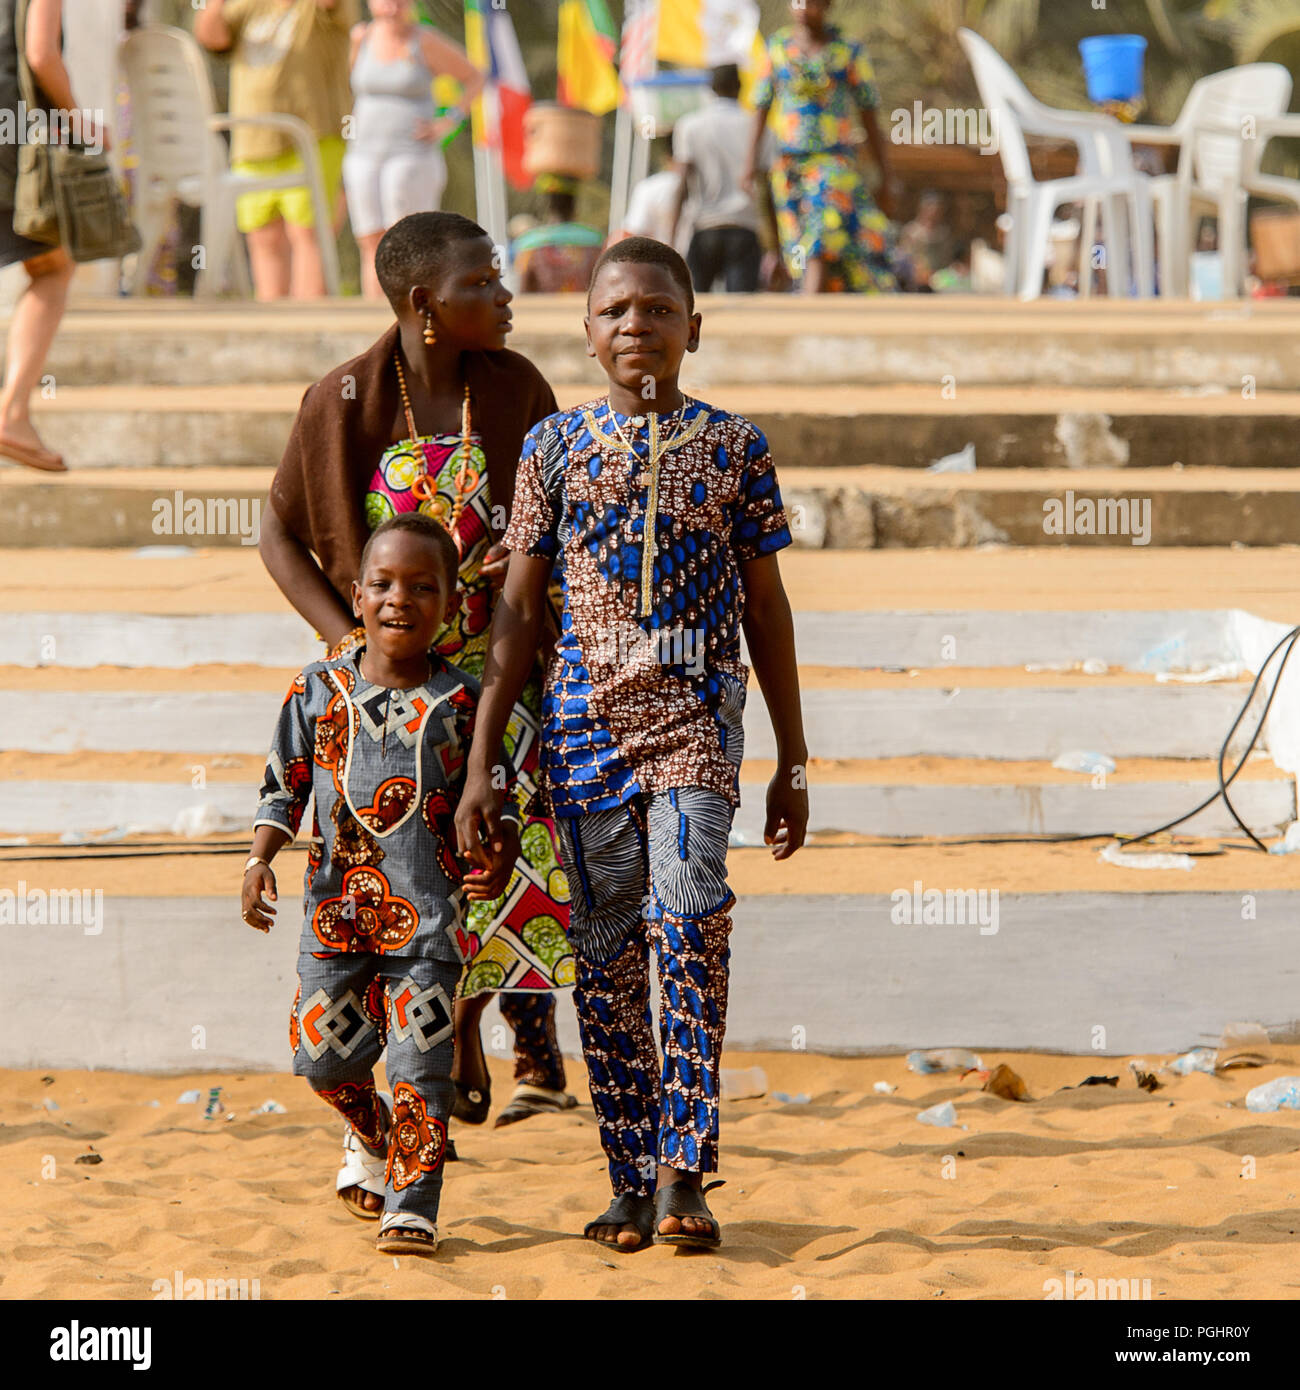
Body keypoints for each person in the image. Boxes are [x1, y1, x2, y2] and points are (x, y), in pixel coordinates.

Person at [455, 237, 810, 1252]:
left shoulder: (737, 448)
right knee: (607, 956)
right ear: (587, 333)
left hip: (696, 729)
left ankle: (683, 1171)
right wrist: (486, 756)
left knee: (689, 930)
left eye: (656, 309)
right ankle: (626, 1174)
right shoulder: (553, 450)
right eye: (613, 311)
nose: (635, 326)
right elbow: (518, 610)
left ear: (692, 329)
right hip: (582, 735)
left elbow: (767, 603)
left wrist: (792, 756)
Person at [258, 211, 575, 1204]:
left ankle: (482, 1043)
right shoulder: (346, 398)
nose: (507, 295)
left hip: (504, 671)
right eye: (486, 281)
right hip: (395, 699)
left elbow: (555, 520)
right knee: (414, 867)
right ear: (425, 304)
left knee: (494, 855)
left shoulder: (516, 388)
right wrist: (344, 641)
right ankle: (419, 1095)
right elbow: (276, 532)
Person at [241, 512, 520, 1256]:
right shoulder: (316, 690)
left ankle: (413, 1205)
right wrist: (259, 859)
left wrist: (499, 849)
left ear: (452, 606)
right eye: (385, 584)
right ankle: (378, 1134)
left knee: (419, 1065)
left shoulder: (464, 707)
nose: (401, 599)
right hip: (335, 916)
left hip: (431, 922)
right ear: (357, 596)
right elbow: (283, 787)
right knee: (321, 1059)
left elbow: (500, 802)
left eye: (423, 587)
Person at [195, 0, 357, 301]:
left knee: (308, 235)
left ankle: (309, 328)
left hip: (313, 136)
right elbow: (211, 37)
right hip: (252, 139)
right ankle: (271, 326)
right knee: (262, 237)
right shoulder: (249, 6)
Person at [0, 0, 97, 472]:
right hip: (12, 142)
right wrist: (80, 123)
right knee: (54, 266)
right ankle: (12, 412)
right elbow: (41, 54)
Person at [743, 0, 897, 294]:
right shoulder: (777, 48)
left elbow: (868, 113)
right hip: (788, 163)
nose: (803, 8)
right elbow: (761, 107)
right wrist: (748, 164)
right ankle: (823, 316)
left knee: (821, 232)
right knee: (801, 245)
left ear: (827, 5)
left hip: (833, 162)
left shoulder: (848, 52)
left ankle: (806, 311)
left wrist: (886, 175)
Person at [344, 0, 482, 301]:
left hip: (409, 153)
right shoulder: (361, 37)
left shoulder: (425, 40)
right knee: (370, 238)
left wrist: (448, 121)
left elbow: (475, 77)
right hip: (363, 152)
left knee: (405, 238)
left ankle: (412, 312)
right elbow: (352, 90)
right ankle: (375, 315)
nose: (391, 7)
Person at [670, 63, 773, 294]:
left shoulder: (690, 126)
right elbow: (767, 189)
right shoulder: (759, 128)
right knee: (740, 311)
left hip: (705, 228)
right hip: (744, 228)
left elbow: (682, 186)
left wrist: (670, 239)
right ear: (740, 87)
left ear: (711, 89)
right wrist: (776, 247)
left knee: (693, 307)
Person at [513, 173, 603, 293]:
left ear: (546, 202)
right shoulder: (596, 242)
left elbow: (523, 292)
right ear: (575, 202)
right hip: (583, 310)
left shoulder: (529, 246)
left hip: (543, 311)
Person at [619, 136, 690, 255]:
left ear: (667, 157)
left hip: (661, 264)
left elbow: (634, 232)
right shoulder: (708, 190)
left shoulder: (650, 187)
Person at [895, 190, 956, 291]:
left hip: (938, 277)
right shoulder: (911, 231)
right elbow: (904, 256)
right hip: (915, 277)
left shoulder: (943, 233)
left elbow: (947, 259)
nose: (933, 213)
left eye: (937, 210)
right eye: (930, 208)